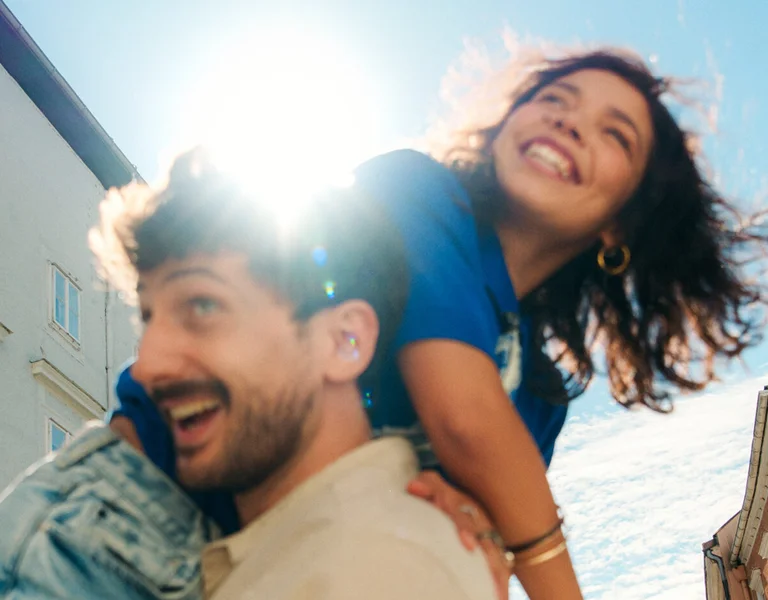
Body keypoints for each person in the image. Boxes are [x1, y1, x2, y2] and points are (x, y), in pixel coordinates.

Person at [102, 45, 768, 599]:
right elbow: (462, 417)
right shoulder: (413, 194)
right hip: (126, 521)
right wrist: (541, 560)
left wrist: (480, 523)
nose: (569, 123)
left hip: (264, 569)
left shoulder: (537, 395)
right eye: (554, 101)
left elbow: (474, 533)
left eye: (612, 133)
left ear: (622, 221)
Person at [0, 149, 498, 600]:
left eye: (202, 305)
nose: (146, 368)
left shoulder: (373, 570)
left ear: (343, 341)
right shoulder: (293, 554)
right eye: (148, 316)